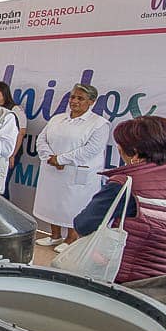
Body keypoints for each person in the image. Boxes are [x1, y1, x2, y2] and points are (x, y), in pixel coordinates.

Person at [74, 116, 166, 283]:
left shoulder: (126, 185)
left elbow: (83, 224)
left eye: (120, 147)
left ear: (135, 153)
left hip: (126, 280)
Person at [34, 84, 110, 252]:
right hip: (52, 168)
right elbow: (41, 139)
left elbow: (91, 150)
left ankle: (71, 238)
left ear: (91, 102)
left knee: (73, 204)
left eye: (80, 98)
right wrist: (50, 158)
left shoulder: (99, 124)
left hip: (76, 172)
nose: (74, 101)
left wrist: (61, 159)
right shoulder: (58, 118)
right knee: (52, 201)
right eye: (72, 97)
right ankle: (54, 235)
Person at [0, 81, 28, 199]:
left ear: (4, 92)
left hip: (10, 151)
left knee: (2, 184)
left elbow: (21, 132)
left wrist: (12, 155)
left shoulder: (15, 109)